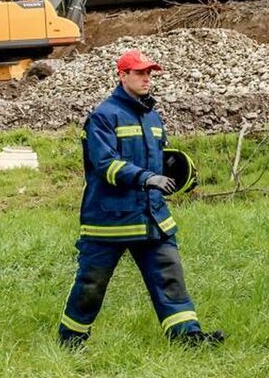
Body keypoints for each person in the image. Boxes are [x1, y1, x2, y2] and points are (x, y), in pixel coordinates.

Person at [57, 49, 225, 349]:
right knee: (90, 285)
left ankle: (188, 337)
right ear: (122, 76)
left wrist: (177, 172)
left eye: (149, 72)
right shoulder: (102, 117)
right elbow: (104, 165)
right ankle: (70, 340)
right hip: (109, 221)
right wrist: (146, 178)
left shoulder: (153, 117)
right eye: (139, 73)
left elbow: (161, 159)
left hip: (151, 217)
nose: (147, 78)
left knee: (170, 278)